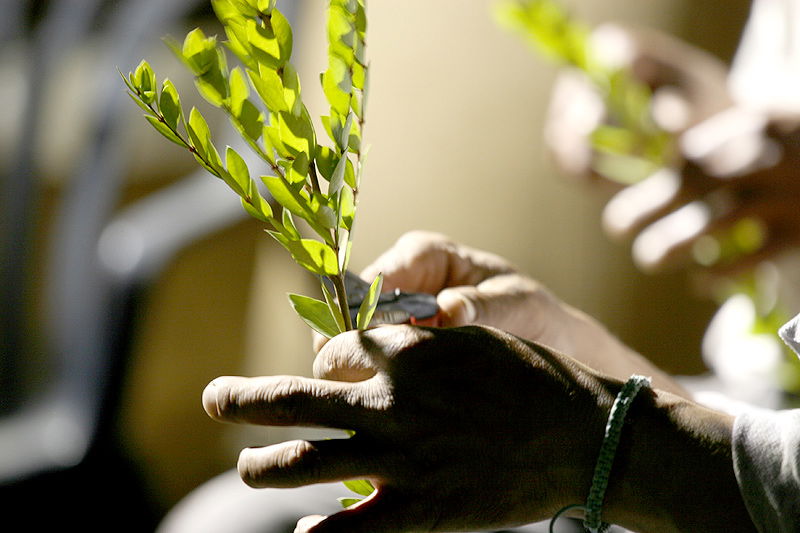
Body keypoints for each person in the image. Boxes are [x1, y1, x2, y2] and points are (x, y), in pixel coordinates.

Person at [158, 0, 800, 531]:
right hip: (739, 406)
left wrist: (595, 437)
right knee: (228, 521)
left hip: (727, 466)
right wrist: (577, 355)